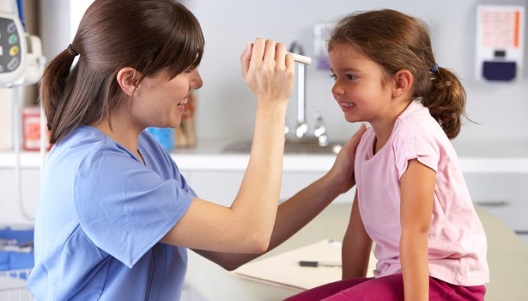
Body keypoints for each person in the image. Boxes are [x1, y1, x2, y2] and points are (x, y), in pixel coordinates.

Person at [26, 0, 366, 300]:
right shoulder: (99, 171)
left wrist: (334, 180)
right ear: (130, 80)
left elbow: (231, 247)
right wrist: (272, 104)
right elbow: (248, 235)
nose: (197, 81)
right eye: (186, 69)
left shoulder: (144, 151)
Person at [284, 9, 489, 301]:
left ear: (400, 83)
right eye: (335, 75)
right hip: (402, 275)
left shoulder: (414, 137)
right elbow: (358, 233)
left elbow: (415, 234)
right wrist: (350, 291)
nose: (336, 88)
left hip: (445, 283)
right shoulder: (368, 140)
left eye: (351, 76)